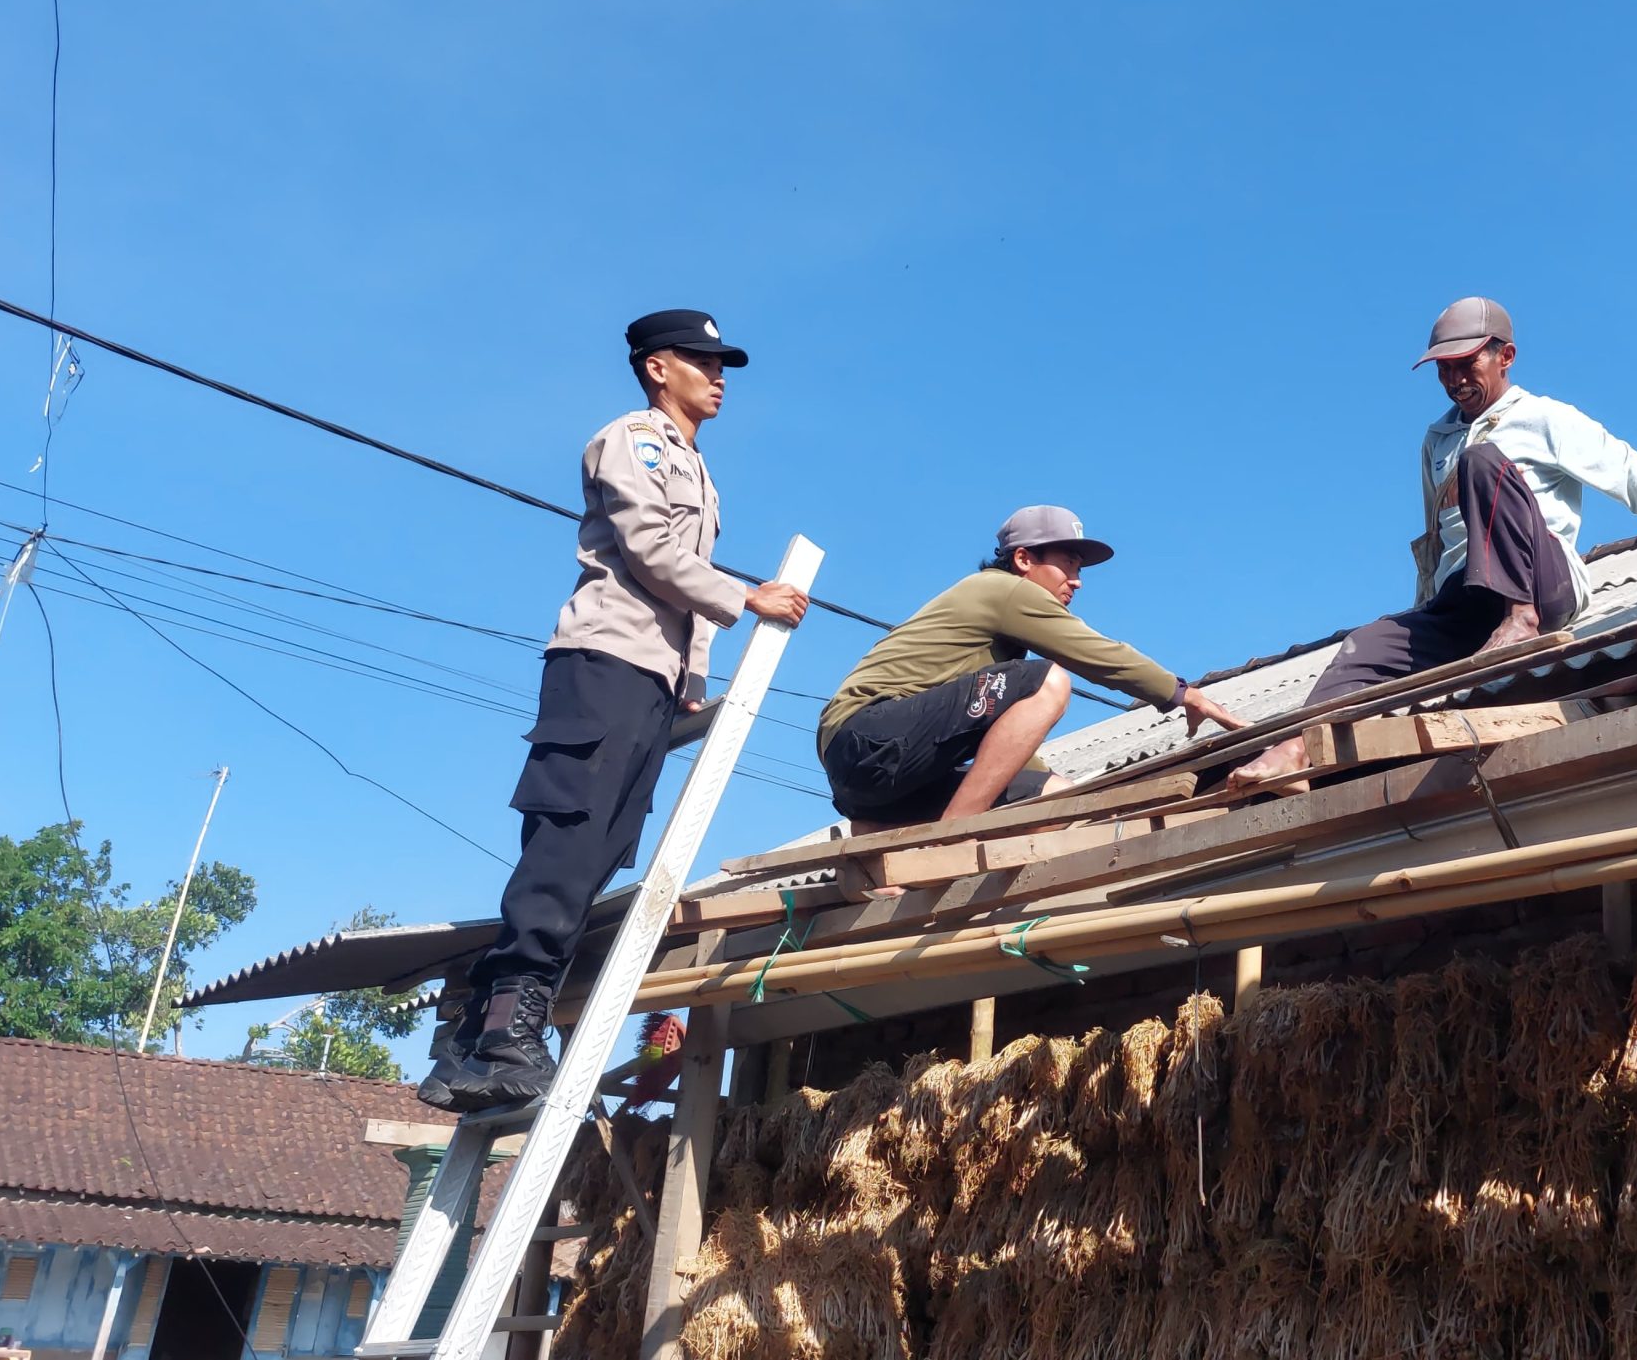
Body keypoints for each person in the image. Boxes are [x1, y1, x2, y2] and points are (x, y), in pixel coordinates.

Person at [419, 309, 811, 1112]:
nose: (720, 376)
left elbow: (683, 580)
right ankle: (500, 1030)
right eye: (703, 361)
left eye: (723, 363)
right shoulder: (632, 439)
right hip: (602, 661)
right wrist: (748, 597)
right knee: (567, 842)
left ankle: (484, 1040)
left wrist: (694, 672)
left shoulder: (701, 472)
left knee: (602, 850)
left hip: (654, 679)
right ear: (657, 367)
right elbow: (650, 550)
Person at [1226, 298, 1637, 792]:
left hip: (1542, 585)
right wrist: (1423, 617)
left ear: (1505, 357)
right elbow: (1435, 540)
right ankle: (1296, 751)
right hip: (1468, 597)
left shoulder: (1544, 418)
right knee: (1365, 645)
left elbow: (1635, 475)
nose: (1454, 380)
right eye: (1443, 370)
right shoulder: (1438, 439)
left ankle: (1520, 621)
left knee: (1484, 462)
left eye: (1465, 364)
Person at [818, 505, 1246, 839]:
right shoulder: (1000, 589)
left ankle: (878, 843)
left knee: (1054, 799)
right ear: (1023, 559)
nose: (1076, 581)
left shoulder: (996, 663)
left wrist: (1049, 785)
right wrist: (1183, 694)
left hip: (868, 787)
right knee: (1051, 679)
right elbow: (1097, 653)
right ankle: (949, 840)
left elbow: (1007, 742)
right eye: (1069, 564)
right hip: (866, 734)